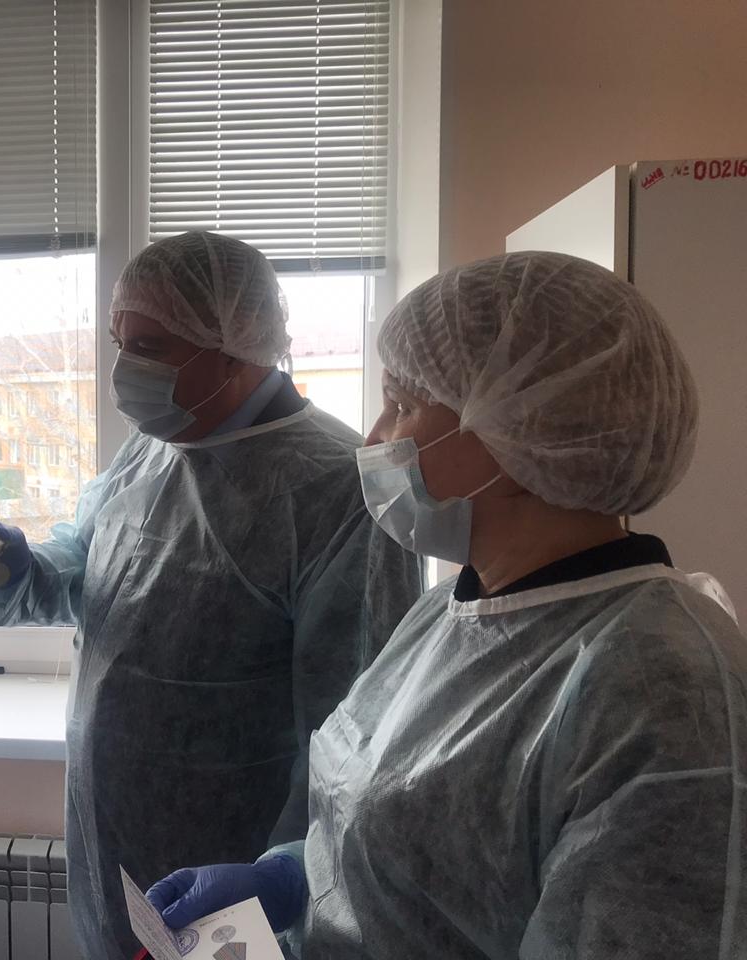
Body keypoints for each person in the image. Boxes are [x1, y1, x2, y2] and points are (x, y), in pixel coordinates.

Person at [145, 251, 747, 958]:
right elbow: (414, 842)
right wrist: (292, 877)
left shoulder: (661, 690)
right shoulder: (450, 613)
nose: (374, 437)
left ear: (518, 428)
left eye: (402, 404)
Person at [0, 231, 423, 959]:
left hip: (240, 880)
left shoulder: (334, 492)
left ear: (236, 348)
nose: (125, 370)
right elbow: (96, 572)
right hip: (110, 849)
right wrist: (24, 573)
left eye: (150, 347)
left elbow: (356, 735)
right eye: (120, 343)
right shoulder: (154, 444)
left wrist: (291, 879)